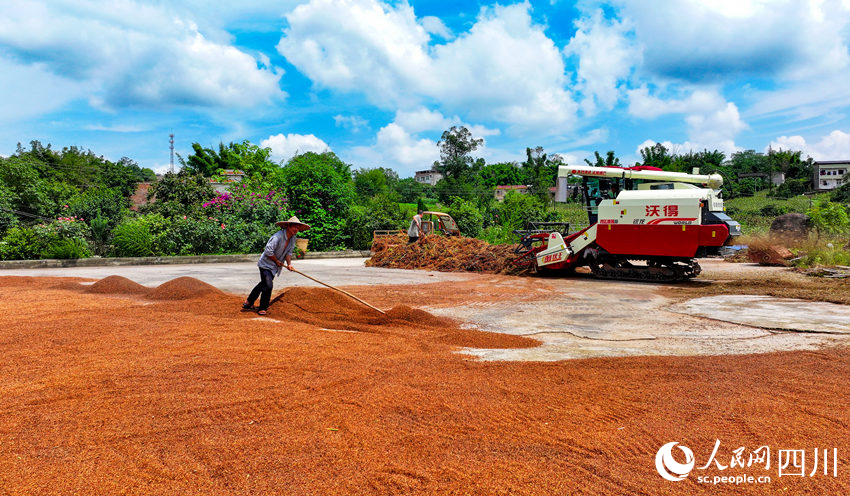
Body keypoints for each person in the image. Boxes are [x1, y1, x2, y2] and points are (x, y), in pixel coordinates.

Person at [243, 216, 310, 316]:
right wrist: (276, 260)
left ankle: (249, 301)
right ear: (288, 226)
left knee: (263, 283)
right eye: (294, 226)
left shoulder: (292, 238)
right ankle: (262, 307)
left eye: (298, 227)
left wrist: (289, 264)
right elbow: (268, 251)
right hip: (266, 264)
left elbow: (289, 253)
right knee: (268, 285)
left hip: (274, 267)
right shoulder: (277, 237)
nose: (296, 229)